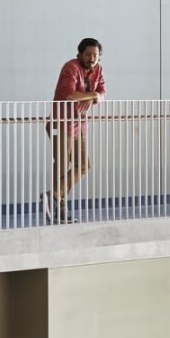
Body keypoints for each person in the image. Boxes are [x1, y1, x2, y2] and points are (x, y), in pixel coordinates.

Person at [48, 36, 105, 217]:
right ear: (80, 54)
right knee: (62, 165)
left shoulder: (98, 69)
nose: (92, 58)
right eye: (88, 55)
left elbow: (102, 92)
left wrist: (94, 95)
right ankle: (59, 210)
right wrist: (91, 95)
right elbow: (70, 96)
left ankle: (55, 196)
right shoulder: (70, 67)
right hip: (61, 122)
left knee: (83, 166)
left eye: (95, 55)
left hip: (78, 124)